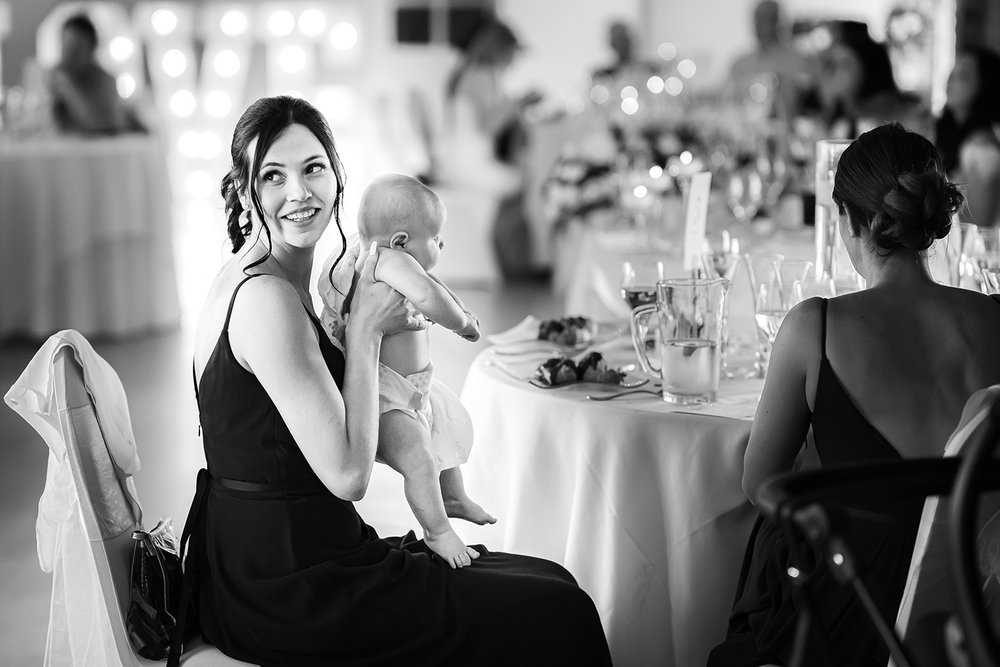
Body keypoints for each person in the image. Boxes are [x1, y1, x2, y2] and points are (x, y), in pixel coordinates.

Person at [187, 95, 612, 665]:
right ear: (245, 193)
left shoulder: (260, 277)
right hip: (292, 588)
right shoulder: (266, 301)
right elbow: (346, 475)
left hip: (287, 558)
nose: (299, 193)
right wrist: (364, 333)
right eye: (272, 176)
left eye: (313, 168)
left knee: (552, 583)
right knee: (559, 610)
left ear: (337, 175)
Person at [708, 123, 1000, 666]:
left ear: (847, 219)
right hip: (976, 603)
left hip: (859, 608)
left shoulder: (815, 327)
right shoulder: (994, 316)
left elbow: (761, 485)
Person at [317, 173, 495, 570]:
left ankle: (453, 497)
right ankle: (437, 530)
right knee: (419, 457)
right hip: (386, 395)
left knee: (440, 434)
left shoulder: (352, 258)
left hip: (411, 386)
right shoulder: (391, 261)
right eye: (435, 237)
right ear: (400, 241)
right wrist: (463, 323)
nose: (441, 245)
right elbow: (431, 296)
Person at [437, 17, 541, 281]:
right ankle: (511, 262)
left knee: (519, 178)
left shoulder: (469, 72)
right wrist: (518, 104)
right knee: (519, 181)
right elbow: (488, 127)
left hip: (462, 158)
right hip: (469, 163)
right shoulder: (480, 75)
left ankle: (512, 259)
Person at [819, 21, 928, 139]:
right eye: (831, 64)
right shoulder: (844, 124)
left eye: (845, 63)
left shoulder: (903, 118)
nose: (834, 72)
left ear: (869, 67)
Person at [935, 46, 1000, 227]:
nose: (950, 81)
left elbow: (979, 225)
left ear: (984, 84)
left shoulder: (980, 149)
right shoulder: (951, 135)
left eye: (962, 75)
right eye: (951, 73)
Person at [47, 14, 143, 135]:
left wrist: (66, 83)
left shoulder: (106, 81)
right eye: (65, 45)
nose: (68, 54)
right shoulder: (50, 78)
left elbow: (101, 125)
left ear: (92, 47)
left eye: (75, 47)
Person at [728, 1, 818, 119]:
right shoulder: (739, 64)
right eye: (757, 19)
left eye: (768, 19)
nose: (760, 25)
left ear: (780, 22)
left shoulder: (802, 60)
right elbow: (729, 103)